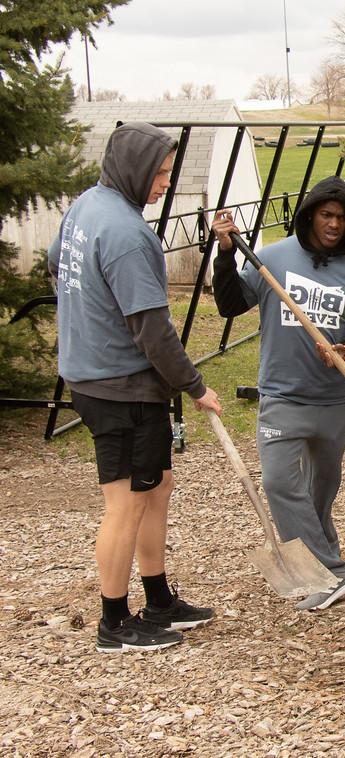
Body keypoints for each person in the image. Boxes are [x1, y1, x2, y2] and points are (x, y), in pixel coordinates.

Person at [47, 122, 223, 653]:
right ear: (135, 169)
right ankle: (115, 623)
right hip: (118, 387)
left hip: (102, 376)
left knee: (156, 489)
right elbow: (152, 329)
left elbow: (57, 264)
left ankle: (159, 598)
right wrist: (194, 387)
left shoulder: (87, 205)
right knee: (126, 503)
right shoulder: (126, 235)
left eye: (169, 172)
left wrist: (87, 317)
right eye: (161, 173)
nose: (166, 183)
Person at [211, 176, 345, 611]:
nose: (334, 225)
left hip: (333, 403)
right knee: (279, 483)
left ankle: (324, 559)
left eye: (342, 218)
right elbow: (230, 304)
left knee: (319, 493)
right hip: (282, 397)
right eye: (327, 215)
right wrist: (226, 254)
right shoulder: (272, 258)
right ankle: (329, 576)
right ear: (310, 215)